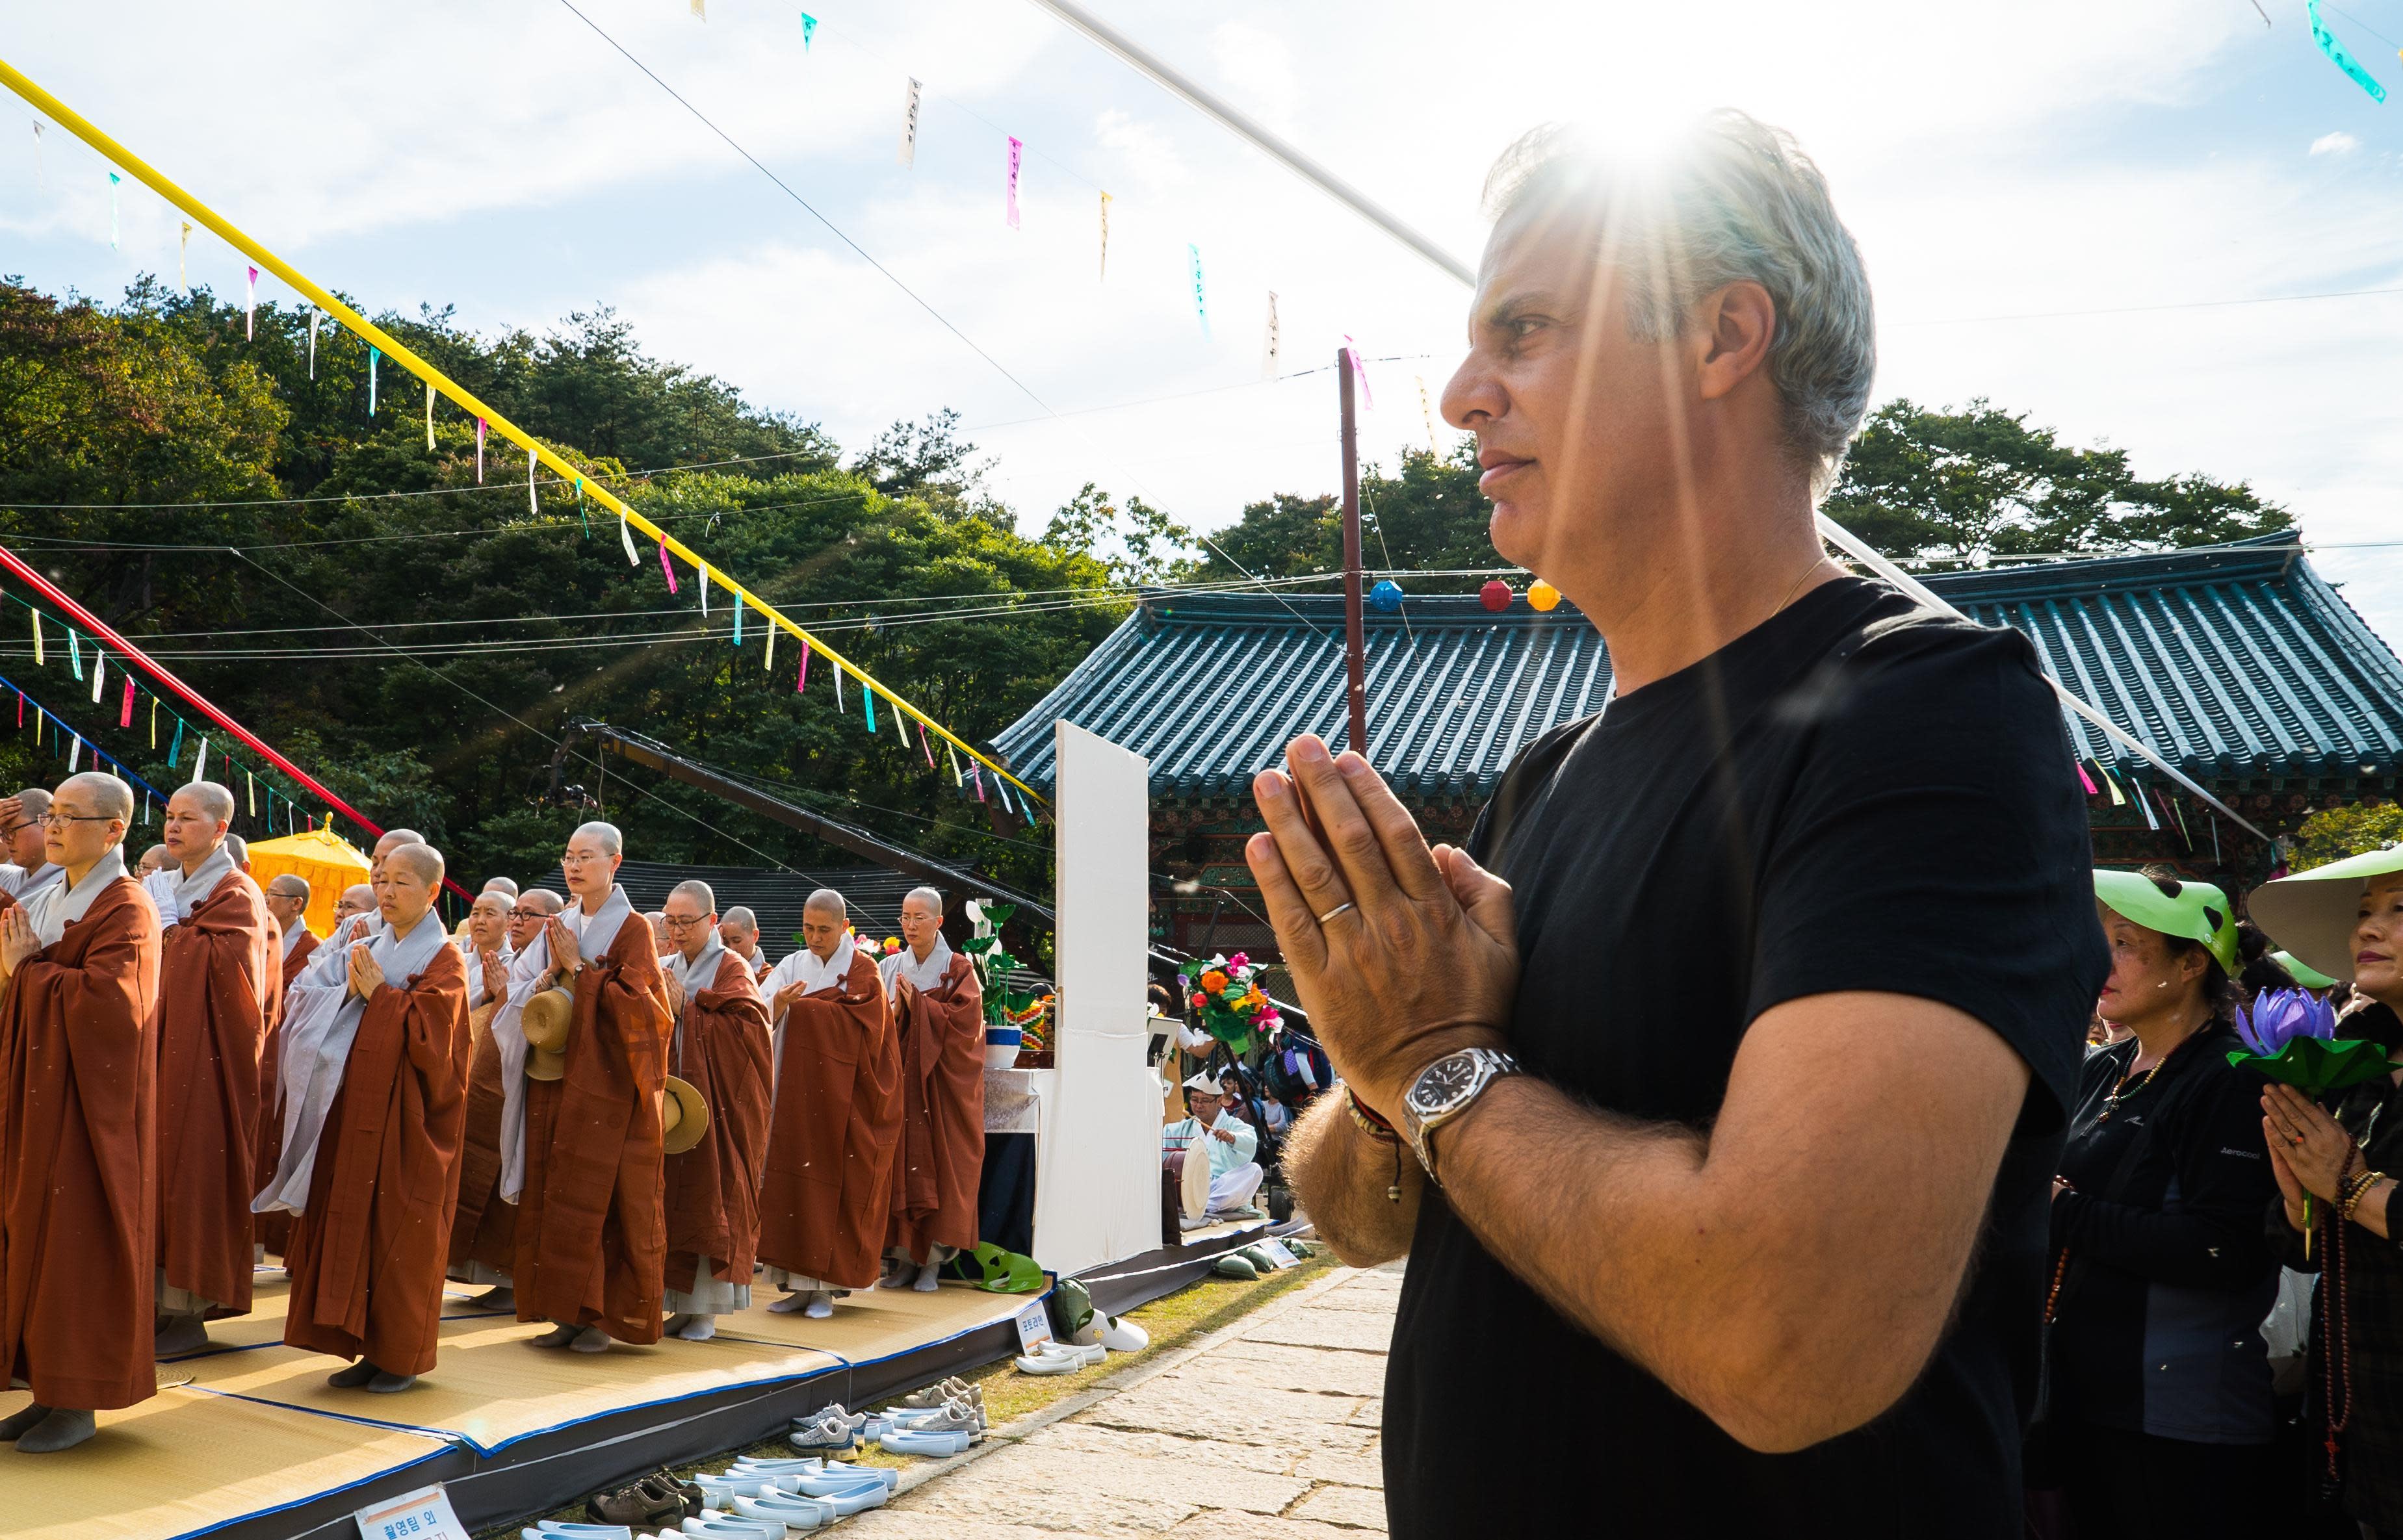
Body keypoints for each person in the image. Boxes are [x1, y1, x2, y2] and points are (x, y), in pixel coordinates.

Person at [1256, 113, 2104, 1538]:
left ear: (1724, 337)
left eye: (1522, 330)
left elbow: (1788, 1338)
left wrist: (1437, 1063)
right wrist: (1378, 1059)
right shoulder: (1548, 776)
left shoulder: (1930, 713)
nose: (1461, 396)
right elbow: (1361, 1222)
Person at [2042, 869, 2278, 1532]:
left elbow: (2224, 1248)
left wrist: (2064, 1211)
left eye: (2125, 943)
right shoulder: (2106, 1068)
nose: (2100, 961)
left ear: (2190, 961)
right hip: (2083, 1397)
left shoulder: (2230, 1079)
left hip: (2180, 1418)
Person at [270, 843, 470, 1394]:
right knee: (349, 1226)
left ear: (433, 893)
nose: (386, 892)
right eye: (381, 881)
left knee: (400, 1233)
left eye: (401, 883)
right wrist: (357, 992)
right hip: (354, 1107)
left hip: (408, 1123)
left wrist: (381, 996)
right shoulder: (369, 942)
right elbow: (315, 996)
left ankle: (400, 1356)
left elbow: (439, 1047)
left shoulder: (445, 959)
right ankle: (362, 1346)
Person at [0, 772, 161, 1453]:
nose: (56, 825)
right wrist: (20, 972)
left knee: (77, 1243)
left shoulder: (127, 907)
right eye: (54, 814)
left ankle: (81, 1400)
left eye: (72, 815)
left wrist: (29, 972)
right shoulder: (51, 897)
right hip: (40, 1097)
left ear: (115, 829)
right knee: (27, 1235)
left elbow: (115, 1006)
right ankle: (45, 1387)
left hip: (93, 1113)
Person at [2250, 845, 2403, 1537]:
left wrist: (2348, 1183)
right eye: (2365, 910)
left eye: (2399, 911)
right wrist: (2298, 1195)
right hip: (2358, 1412)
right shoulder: (2353, 1060)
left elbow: (2351, 1189)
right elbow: (2305, 1249)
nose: (2367, 929)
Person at [509, 823, 673, 1352]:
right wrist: (550, 977)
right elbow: (537, 984)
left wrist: (580, 967)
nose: (574, 866)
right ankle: (566, 1312)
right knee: (556, 1192)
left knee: (603, 1197)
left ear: (615, 863)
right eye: (568, 857)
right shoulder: (562, 920)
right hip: (559, 1075)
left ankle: (603, 1317)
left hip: (609, 1086)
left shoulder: (633, 929)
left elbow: (647, 1011)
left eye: (585, 857)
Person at [151, 781, 276, 1357]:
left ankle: (189, 1311)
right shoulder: (168, 885)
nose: (174, 828)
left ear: (221, 829)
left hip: (209, 1063)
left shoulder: (238, 893)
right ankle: (156, 1304)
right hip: (162, 1052)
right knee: (157, 1176)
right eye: (170, 817)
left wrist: (169, 932)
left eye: (189, 819)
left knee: (195, 1176)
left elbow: (231, 971)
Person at [758, 888, 899, 1318]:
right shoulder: (792, 965)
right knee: (790, 1185)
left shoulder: (863, 971)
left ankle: (823, 1291)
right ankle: (795, 1287)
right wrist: (779, 1005)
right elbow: (758, 1007)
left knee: (832, 1190)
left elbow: (873, 1034)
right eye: (808, 928)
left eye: (823, 929)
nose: (814, 937)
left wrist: (809, 1012)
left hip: (842, 1102)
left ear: (843, 928)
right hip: (793, 1097)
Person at [658, 880, 773, 1342]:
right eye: (671, 921)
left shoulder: (733, 968)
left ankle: (706, 1310)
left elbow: (750, 1035)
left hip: (719, 1110)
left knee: (712, 1194)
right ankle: (680, 1306)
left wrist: (688, 1007)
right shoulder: (665, 963)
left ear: (712, 921)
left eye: (687, 922)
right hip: (671, 1105)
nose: (678, 931)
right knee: (671, 1201)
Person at [450, 888, 559, 1307]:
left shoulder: (556, 966)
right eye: (514, 913)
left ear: (553, 924)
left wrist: (509, 994)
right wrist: (494, 994)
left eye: (526, 915)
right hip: (490, 1084)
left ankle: (515, 1280)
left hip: (532, 1082)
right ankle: (489, 1272)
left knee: (520, 1173)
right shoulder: (508, 962)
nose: (516, 921)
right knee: (484, 1170)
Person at [880, 886, 984, 1291]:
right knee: (899, 1165)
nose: (909, 925)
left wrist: (921, 1008)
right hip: (901, 1085)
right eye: (904, 917)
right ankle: (903, 1261)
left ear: (939, 921)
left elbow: (967, 1030)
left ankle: (933, 1264)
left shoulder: (958, 969)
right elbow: (878, 1023)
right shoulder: (890, 967)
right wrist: (897, 1011)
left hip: (940, 1089)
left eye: (918, 918)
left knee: (941, 1165)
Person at [255, 873, 319, 1263]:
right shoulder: (261, 932)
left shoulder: (312, 948)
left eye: (272, 895)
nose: (264, 900)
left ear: (296, 904)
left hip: (289, 1058)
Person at [1163, 1075, 1262, 1218]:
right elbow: (1165, 1144)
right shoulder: (1184, 1128)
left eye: (1205, 1101)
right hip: (1190, 1190)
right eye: (1194, 1100)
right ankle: (1197, 1206)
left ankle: (1207, 1206)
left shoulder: (1232, 1125)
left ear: (1219, 1101)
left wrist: (1233, 1137)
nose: (1198, 1106)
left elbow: (1250, 1139)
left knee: (1255, 1170)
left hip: (1220, 1189)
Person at [0, 789, 62, 901]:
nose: (6, 840)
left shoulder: (67, 881)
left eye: (12, 830)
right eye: (3, 832)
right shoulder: (6, 877)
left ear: (45, 822)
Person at [721, 906, 768, 978]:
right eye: (726, 942)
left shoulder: (770, 978)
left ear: (755, 936)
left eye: (737, 941)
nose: (731, 948)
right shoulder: (717, 974)